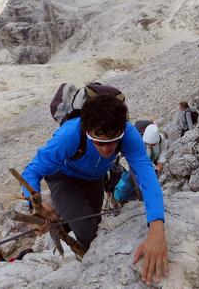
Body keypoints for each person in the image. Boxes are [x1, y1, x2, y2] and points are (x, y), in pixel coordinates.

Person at [21, 94, 168, 285]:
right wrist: (35, 203)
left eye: (113, 142)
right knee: (87, 233)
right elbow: (32, 171)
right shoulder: (69, 135)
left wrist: (157, 228)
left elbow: (146, 175)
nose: (107, 150)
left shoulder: (128, 134)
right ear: (87, 129)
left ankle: (71, 230)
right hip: (64, 179)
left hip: (95, 178)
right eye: (99, 142)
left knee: (95, 226)